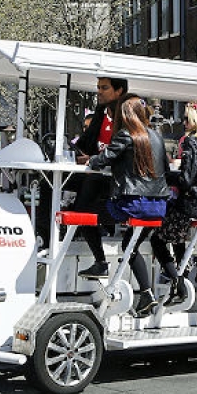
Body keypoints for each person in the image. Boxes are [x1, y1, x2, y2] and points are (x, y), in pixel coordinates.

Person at [80, 94, 170, 317]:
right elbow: (166, 168)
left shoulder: (126, 134)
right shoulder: (156, 136)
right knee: (131, 244)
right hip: (158, 206)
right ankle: (146, 294)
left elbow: (103, 159)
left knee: (83, 213)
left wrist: (89, 160)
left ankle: (101, 263)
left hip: (132, 204)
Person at [150, 99, 197, 304]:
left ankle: (177, 281)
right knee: (177, 234)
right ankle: (180, 276)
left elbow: (185, 180)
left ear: (196, 120)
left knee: (157, 239)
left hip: (195, 205)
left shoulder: (192, 143)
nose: (183, 122)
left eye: (187, 118)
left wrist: (164, 175)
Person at [69, 77, 128, 265]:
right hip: (95, 172)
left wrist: (94, 160)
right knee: (50, 184)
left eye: (104, 88)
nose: (99, 92)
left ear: (119, 91)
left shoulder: (127, 115)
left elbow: (122, 152)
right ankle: (44, 238)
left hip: (114, 179)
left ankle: (100, 261)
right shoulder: (100, 112)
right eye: (98, 87)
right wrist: (75, 152)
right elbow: (86, 142)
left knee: (83, 203)